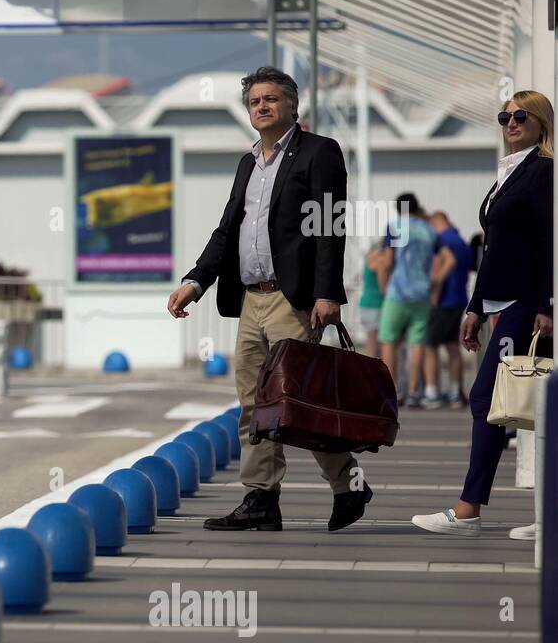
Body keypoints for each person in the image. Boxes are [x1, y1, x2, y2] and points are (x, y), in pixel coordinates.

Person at [166, 66, 372, 532]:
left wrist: (327, 292)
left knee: (300, 401)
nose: (262, 106)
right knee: (253, 404)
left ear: (292, 106)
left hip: (293, 300)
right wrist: (195, 282)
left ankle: (349, 484)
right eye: (255, 101)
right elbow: (226, 232)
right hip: (251, 301)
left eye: (271, 99)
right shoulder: (248, 163)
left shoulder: (319, 152)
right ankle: (260, 498)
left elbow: (329, 226)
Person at [412, 90, 555, 536]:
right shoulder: (508, 174)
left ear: (540, 123)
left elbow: (550, 243)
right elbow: (493, 250)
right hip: (501, 302)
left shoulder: (544, 171)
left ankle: (471, 508)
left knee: (495, 400)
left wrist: (546, 305)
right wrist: (475, 306)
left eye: (520, 116)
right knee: (505, 404)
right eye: (504, 116)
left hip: (526, 303)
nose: (510, 123)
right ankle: (484, 509)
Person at [371, 193, 452, 408]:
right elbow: (448, 260)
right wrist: (435, 283)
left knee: (388, 341)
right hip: (422, 294)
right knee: (417, 345)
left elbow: (387, 261)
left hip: (397, 293)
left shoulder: (395, 226)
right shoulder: (429, 230)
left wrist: (383, 286)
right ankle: (414, 391)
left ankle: (392, 390)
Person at [423, 211, 473, 408]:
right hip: (460, 298)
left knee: (430, 346)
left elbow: (441, 265)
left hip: (443, 300)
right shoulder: (461, 241)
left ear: (436, 223)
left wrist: (435, 290)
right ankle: (455, 391)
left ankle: (432, 391)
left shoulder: (442, 239)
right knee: (453, 347)